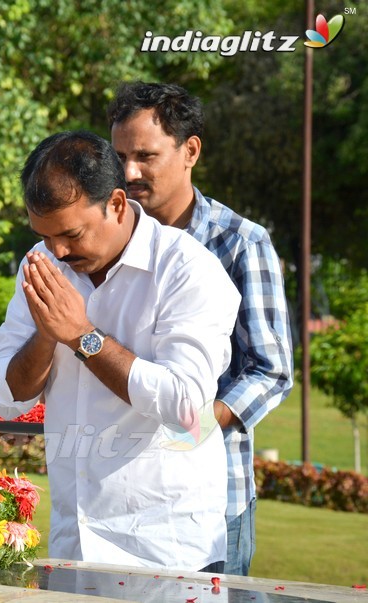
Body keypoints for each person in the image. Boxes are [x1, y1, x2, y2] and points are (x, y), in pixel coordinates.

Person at [0, 130, 241, 572]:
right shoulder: (43, 263)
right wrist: (48, 333)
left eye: (71, 234)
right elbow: (7, 398)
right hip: (74, 544)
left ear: (117, 204)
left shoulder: (188, 270)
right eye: (44, 236)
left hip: (168, 552)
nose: (58, 251)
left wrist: (82, 336)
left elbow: (185, 405)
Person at [108, 82, 294, 576]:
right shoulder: (108, 242)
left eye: (145, 155)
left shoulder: (240, 243)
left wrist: (190, 424)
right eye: (120, 155)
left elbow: (270, 371)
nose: (129, 172)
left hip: (211, 499)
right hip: (119, 498)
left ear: (190, 151)